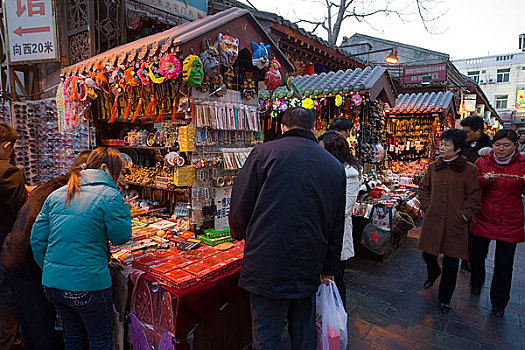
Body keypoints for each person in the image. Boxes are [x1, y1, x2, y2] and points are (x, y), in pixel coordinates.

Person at [229, 107, 346, 350]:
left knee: (266, 333)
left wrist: (239, 234)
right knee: (303, 331)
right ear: (313, 128)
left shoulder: (263, 153)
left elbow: (240, 203)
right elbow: (337, 224)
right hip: (309, 261)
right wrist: (329, 268)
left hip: (266, 260)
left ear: (283, 127)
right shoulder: (334, 167)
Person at [31, 147, 132, 350]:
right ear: (105, 168)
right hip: (88, 286)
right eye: (119, 173)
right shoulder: (110, 195)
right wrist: (124, 210)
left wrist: (54, 270)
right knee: (100, 341)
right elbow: (121, 237)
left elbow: (37, 240)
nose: (120, 178)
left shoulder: (58, 194)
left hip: (54, 285)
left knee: (73, 336)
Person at [1, 150, 91, 350]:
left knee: (31, 323)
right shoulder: (66, 192)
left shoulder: (57, 185)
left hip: (15, 256)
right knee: (42, 327)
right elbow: (44, 236)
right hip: (26, 263)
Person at [417, 129, 481, 314]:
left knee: (452, 263)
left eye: (446, 144)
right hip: (433, 219)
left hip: (455, 223)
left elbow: (474, 197)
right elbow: (423, 188)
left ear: (458, 148)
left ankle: (445, 298)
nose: (441, 147)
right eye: (441, 143)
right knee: (428, 254)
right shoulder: (433, 167)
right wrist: (427, 206)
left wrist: (464, 215)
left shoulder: (470, 170)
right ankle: (433, 272)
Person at [470, 129, 525, 318]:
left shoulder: (523, 165)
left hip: (510, 220)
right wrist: (483, 180)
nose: (501, 148)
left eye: (506, 145)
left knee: (504, 265)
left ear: (515, 146)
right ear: (492, 145)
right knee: (476, 257)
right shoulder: (482, 162)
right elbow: (472, 185)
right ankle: (476, 282)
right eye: (497, 144)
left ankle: (499, 303)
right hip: (484, 215)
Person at [318, 130, 361, 310]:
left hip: (337, 235)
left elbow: (344, 208)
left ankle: (337, 319)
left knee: (335, 280)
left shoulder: (350, 174)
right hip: (321, 233)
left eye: (322, 151)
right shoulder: (323, 169)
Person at [0, 123, 27, 350]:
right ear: (7, 146)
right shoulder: (8, 172)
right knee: (7, 302)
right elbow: (22, 210)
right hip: (4, 245)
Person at [459, 116, 491, 273]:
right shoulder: (463, 146)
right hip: (462, 195)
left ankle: (474, 262)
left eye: (466, 132)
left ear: (477, 131)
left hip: (479, 197)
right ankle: (464, 259)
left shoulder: (488, 150)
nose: (464, 135)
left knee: (475, 232)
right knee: (464, 229)